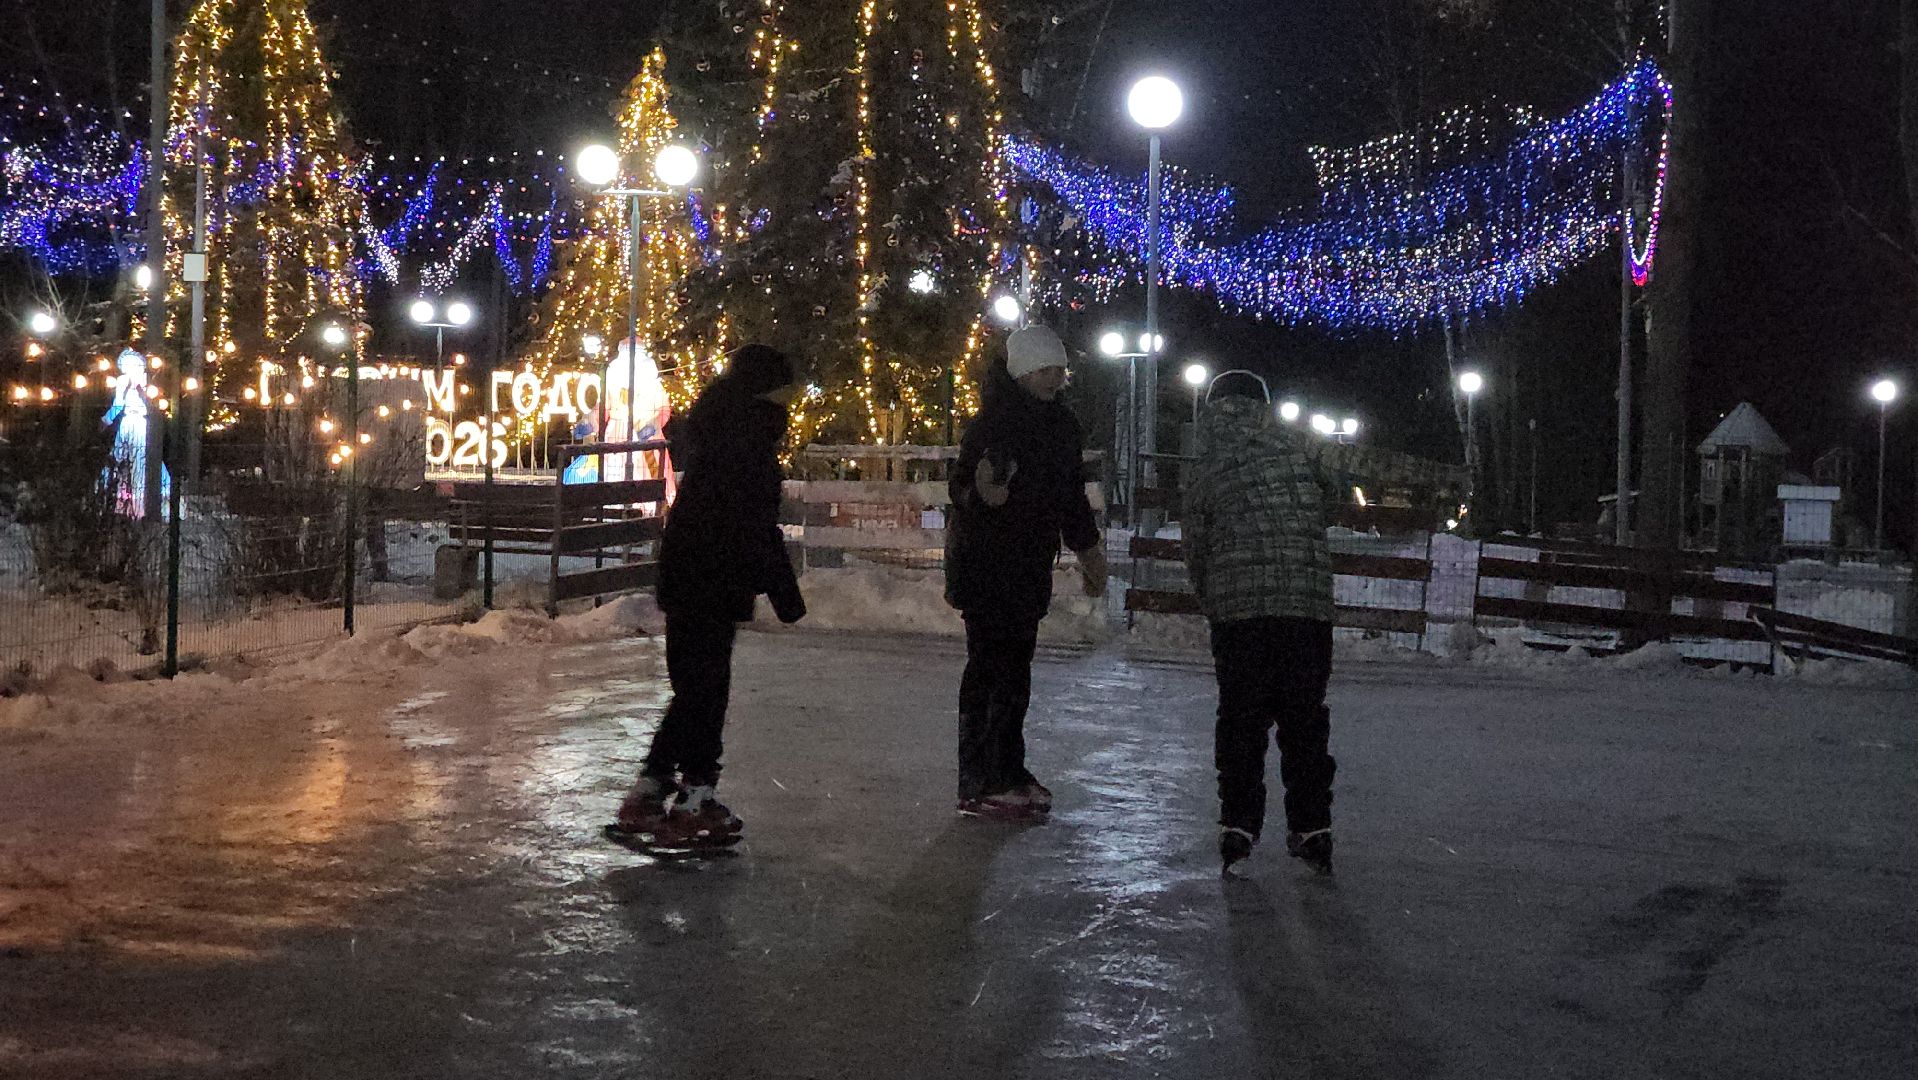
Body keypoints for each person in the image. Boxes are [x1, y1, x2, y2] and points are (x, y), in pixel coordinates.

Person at [1183, 370, 1467, 873]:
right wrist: (1442, 474)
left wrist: (1215, 600)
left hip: (1241, 613)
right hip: (1303, 608)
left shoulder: (1204, 464)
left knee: (1241, 720)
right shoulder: (1295, 443)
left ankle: (1239, 825)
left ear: (1211, 405)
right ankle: (1312, 826)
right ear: (1264, 404)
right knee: (1304, 719)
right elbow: (1363, 462)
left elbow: (1196, 544)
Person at [610, 343, 807, 848]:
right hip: (713, 579)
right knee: (706, 690)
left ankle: (651, 789)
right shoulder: (748, 444)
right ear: (766, 395)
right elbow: (754, 525)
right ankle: (695, 795)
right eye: (785, 395)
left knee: (693, 689)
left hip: (688, 574)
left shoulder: (717, 430)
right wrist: (785, 593)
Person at [944, 325, 1107, 820]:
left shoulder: (1060, 426)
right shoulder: (995, 421)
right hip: (986, 561)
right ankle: (980, 777)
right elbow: (963, 485)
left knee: (1015, 673)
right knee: (990, 671)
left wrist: (1089, 550)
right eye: (1044, 369)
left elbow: (1069, 496)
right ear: (1021, 371)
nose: (1054, 378)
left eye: (1059, 369)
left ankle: (1007, 768)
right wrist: (982, 491)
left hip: (1028, 562)